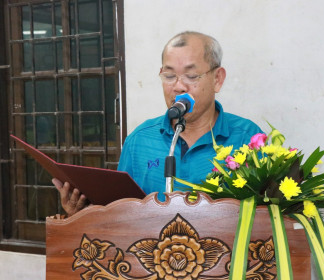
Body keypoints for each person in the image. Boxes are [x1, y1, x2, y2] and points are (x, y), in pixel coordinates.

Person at [53, 31, 263, 216]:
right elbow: (118, 215)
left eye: (191, 76)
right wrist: (83, 214)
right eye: (169, 75)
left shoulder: (248, 138)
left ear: (217, 79)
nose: (179, 86)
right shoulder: (139, 140)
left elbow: (269, 218)